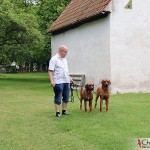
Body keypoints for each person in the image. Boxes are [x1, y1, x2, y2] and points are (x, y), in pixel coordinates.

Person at [48, 45, 73, 118]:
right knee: (58, 97)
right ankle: (57, 113)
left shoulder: (65, 59)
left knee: (66, 97)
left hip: (66, 81)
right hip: (58, 82)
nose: (66, 53)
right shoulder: (54, 59)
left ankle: (64, 111)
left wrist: (70, 79)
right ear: (61, 51)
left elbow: (65, 71)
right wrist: (52, 81)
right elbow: (50, 71)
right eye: (65, 52)